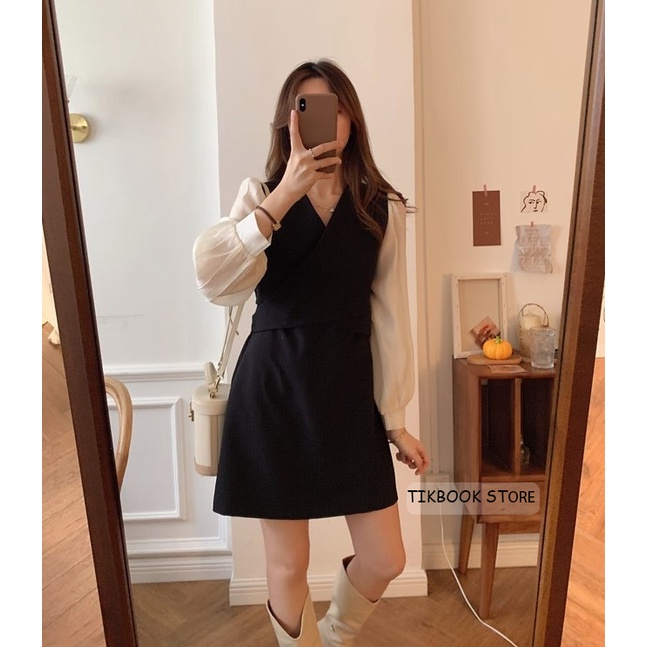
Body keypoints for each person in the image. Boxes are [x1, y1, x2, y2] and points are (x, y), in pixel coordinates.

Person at [193, 59, 430, 646]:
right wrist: (282, 198)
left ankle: (335, 637)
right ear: (288, 121)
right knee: (287, 565)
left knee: (386, 557)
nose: (326, 119)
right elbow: (213, 280)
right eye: (308, 107)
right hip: (274, 390)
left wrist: (395, 420)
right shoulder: (259, 196)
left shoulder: (381, 206)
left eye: (336, 106)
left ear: (353, 119)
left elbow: (390, 316)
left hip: (348, 391)